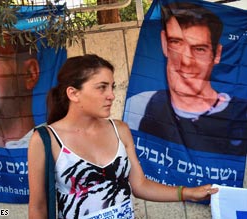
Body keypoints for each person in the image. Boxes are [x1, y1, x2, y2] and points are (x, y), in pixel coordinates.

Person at [28, 54, 218, 219]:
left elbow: (140, 185)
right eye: (102, 87)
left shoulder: (119, 130)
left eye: (112, 87)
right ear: (73, 93)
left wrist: (188, 193)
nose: (111, 95)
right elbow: (38, 206)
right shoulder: (46, 139)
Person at [124, 2, 247, 155]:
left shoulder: (241, 114)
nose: (186, 61)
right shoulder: (139, 106)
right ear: (164, 42)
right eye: (176, 43)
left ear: (217, 54)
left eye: (199, 49)